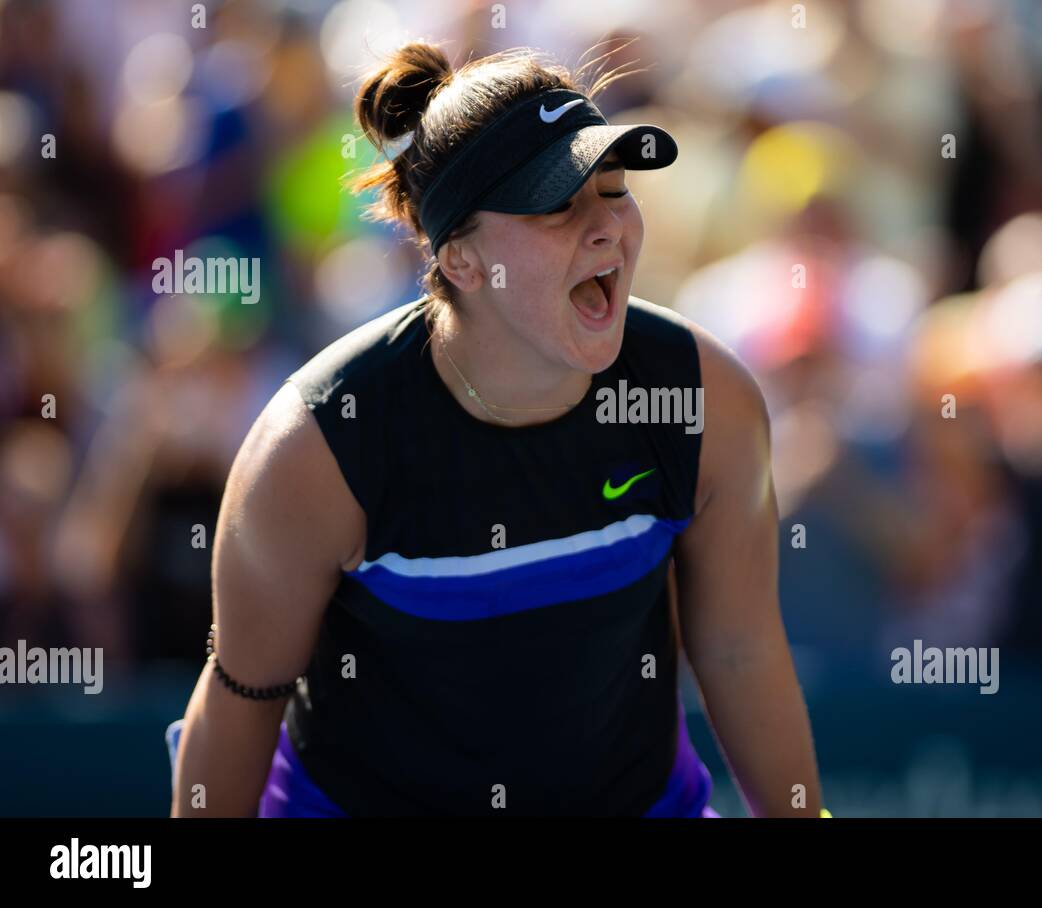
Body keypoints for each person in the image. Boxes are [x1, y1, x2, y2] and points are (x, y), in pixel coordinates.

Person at [170, 42, 824, 817]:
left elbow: (739, 648)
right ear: (462, 260)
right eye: (557, 205)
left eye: (614, 189)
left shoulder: (705, 398)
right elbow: (243, 696)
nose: (607, 227)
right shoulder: (314, 449)